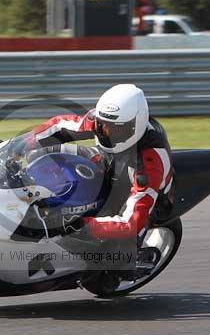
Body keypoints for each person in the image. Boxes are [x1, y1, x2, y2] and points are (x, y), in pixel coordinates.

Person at [29, 84, 174, 279]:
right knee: (42, 155)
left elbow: (131, 222)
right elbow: (60, 126)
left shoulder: (150, 164)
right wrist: (21, 145)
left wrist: (79, 224)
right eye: (102, 126)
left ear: (135, 125)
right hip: (108, 162)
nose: (107, 132)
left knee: (118, 261)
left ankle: (133, 261)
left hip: (139, 192)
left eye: (115, 130)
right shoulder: (104, 121)